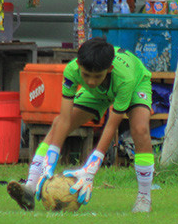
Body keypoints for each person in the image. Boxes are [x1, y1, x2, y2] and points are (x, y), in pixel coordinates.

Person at [8, 37, 155, 213]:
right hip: (97, 93)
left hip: (136, 84)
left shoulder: (125, 79)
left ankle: (144, 197)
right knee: (57, 125)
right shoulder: (72, 71)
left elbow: (111, 125)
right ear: (78, 65)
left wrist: (91, 168)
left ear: (109, 69)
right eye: (86, 75)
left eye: (97, 76)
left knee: (140, 129)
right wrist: (50, 160)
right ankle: (31, 187)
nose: (91, 81)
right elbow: (64, 119)